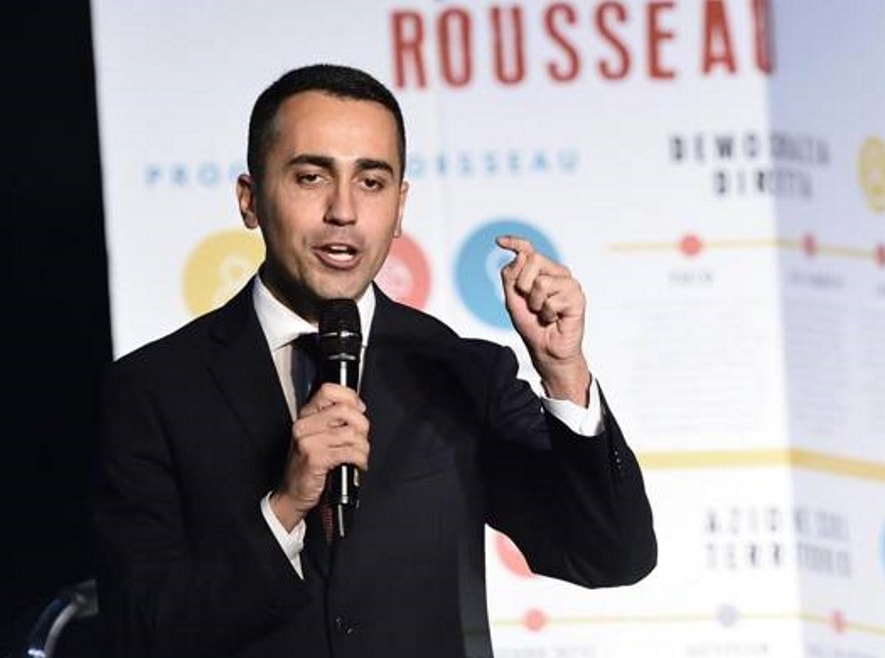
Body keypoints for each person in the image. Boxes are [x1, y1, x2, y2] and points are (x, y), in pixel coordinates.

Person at [90, 63, 657, 658]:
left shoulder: (459, 372)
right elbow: (138, 630)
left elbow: (610, 555)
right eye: (311, 177)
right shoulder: (154, 389)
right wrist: (285, 509)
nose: (343, 210)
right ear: (250, 199)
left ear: (400, 204)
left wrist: (564, 373)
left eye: (371, 181)